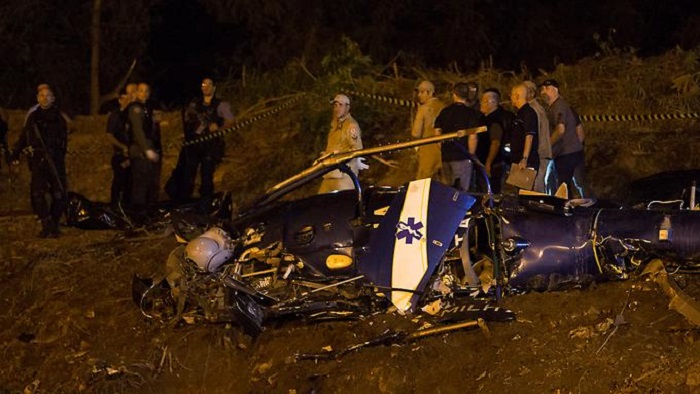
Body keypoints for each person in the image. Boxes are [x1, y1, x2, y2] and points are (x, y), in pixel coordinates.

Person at [10, 85, 68, 237]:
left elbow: (63, 141)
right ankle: (46, 223)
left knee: (59, 193)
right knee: (37, 193)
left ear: (53, 98)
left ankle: (54, 224)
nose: (44, 98)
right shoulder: (33, 116)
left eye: (48, 95)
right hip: (38, 159)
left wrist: (58, 157)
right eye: (41, 95)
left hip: (55, 159)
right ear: (37, 98)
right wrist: (15, 154)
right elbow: (24, 136)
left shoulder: (58, 117)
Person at [167, 78, 234, 205]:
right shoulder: (194, 104)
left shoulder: (221, 104)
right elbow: (187, 120)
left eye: (209, 84)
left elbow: (230, 121)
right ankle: (183, 201)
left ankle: (206, 203)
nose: (206, 87)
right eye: (204, 84)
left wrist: (218, 128)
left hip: (211, 144)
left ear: (214, 87)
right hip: (194, 143)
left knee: (207, 174)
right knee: (188, 173)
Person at [434, 82, 483, 192]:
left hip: (446, 156)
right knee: (461, 192)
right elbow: (473, 136)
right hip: (463, 157)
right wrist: (471, 155)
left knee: (447, 190)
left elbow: (437, 133)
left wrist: (442, 148)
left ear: (454, 94)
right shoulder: (471, 114)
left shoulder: (445, 112)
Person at [540, 79, 585, 196]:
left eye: (547, 89)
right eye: (542, 89)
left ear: (556, 90)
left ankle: (570, 210)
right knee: (575, 184)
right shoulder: (555, 107)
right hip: (568, 152)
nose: (544, 92)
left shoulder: (559, 106)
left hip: (566, 153)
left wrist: (547, 146)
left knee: (564, 187)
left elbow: (560, 130)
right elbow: (579, 131)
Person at [318, 94, 365, 193]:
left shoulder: (351, 125)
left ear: (347, 107)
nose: (337, 108)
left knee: (341, 204)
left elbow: (357, 149)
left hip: (344, 176)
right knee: (319, 202)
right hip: (330, 173)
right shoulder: (334, 125)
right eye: (335, 105)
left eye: (341, 105)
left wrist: (339, 155)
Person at [127, 83, 161, 213]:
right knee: (140, 185)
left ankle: (148, 214)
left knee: (151, 185)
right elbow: (138, 130)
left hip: (150, 148)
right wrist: (147, 150)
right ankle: (138, 217)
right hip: (140, 150)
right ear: (137, 93)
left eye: (147, 91)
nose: (144, 93)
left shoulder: (148, 108)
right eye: (141, 91)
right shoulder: (135, 108)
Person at [105, 84, 136, 207]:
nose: (126, 101)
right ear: (119, 100)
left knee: (130, 184)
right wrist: (122, 146)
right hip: (120, 156)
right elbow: (109, 135)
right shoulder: (115, 116)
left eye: (128, 98)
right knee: (119, 183)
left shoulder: (133, 114)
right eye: (123, 99)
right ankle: (115, 207)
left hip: (133, 155)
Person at [477, 88, 511, 194]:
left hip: (493, 164)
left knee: (492, 191)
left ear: (493, 102)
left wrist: (488, 163)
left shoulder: (495, 120)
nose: (481, 103)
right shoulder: (484, 118)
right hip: (486, 162)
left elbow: (495, 142)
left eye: (484, 101)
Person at [411, 80, 445, 180]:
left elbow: (416, 132)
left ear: (430, 93)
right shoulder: (444, 107)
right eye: (419, 92)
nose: (419, 95)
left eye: (422, 92)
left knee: (423, 180)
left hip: (428, 147)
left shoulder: (423, 109)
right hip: (444, 147)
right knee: (444, 181)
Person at [507, 84, 539, 192]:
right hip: (517, 160)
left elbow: (529, 136)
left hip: (525, 163)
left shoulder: (528, 113)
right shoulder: (519, 114)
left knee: (525, 193)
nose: (510, 97)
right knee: (518, 193)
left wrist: (524, 158)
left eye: (512, 95)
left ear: (517, 96)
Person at [523, 81, 553, 194]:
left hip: (540, 153)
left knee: (536, 189)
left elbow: (533, 134)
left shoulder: (533, 110)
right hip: (541, 153)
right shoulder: (537, 108)